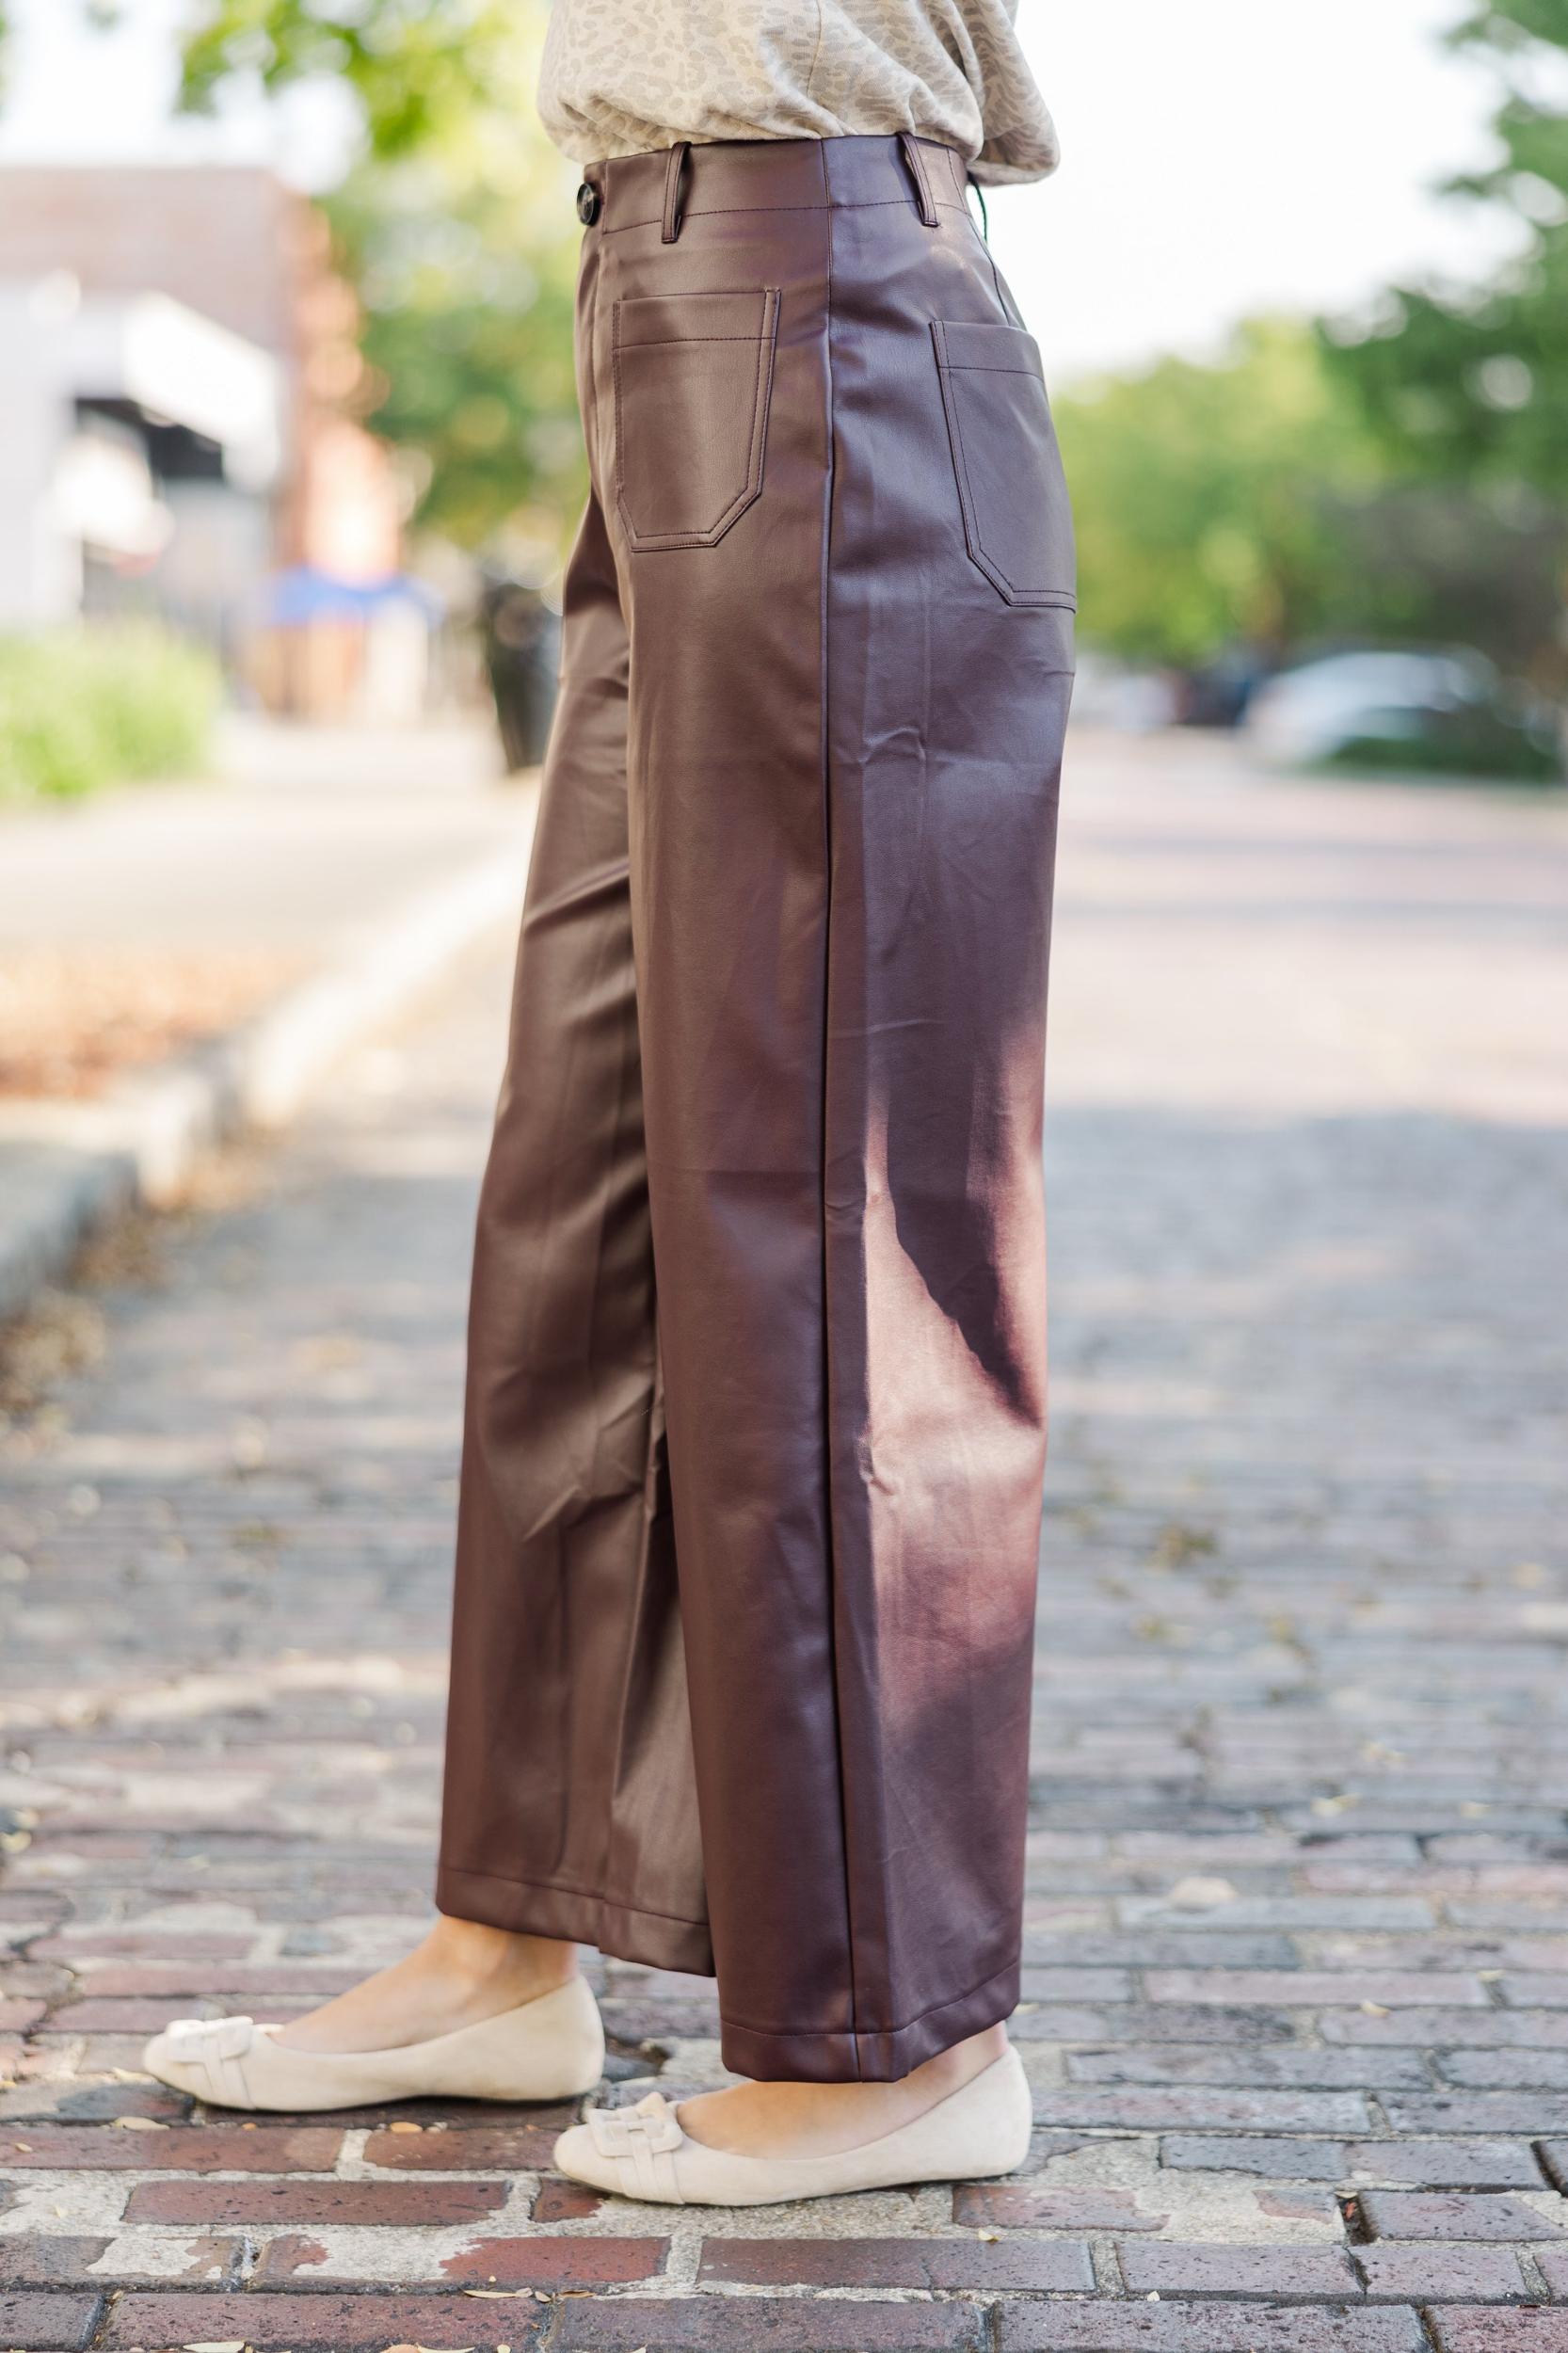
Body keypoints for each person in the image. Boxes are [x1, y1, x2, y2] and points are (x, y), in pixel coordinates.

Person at [145, 0, 1076, 2206]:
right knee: (586, 1191)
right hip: (665, 309)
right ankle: (512, 1933)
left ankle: (900, 2035)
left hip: (821, 300)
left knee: (823, 1220)